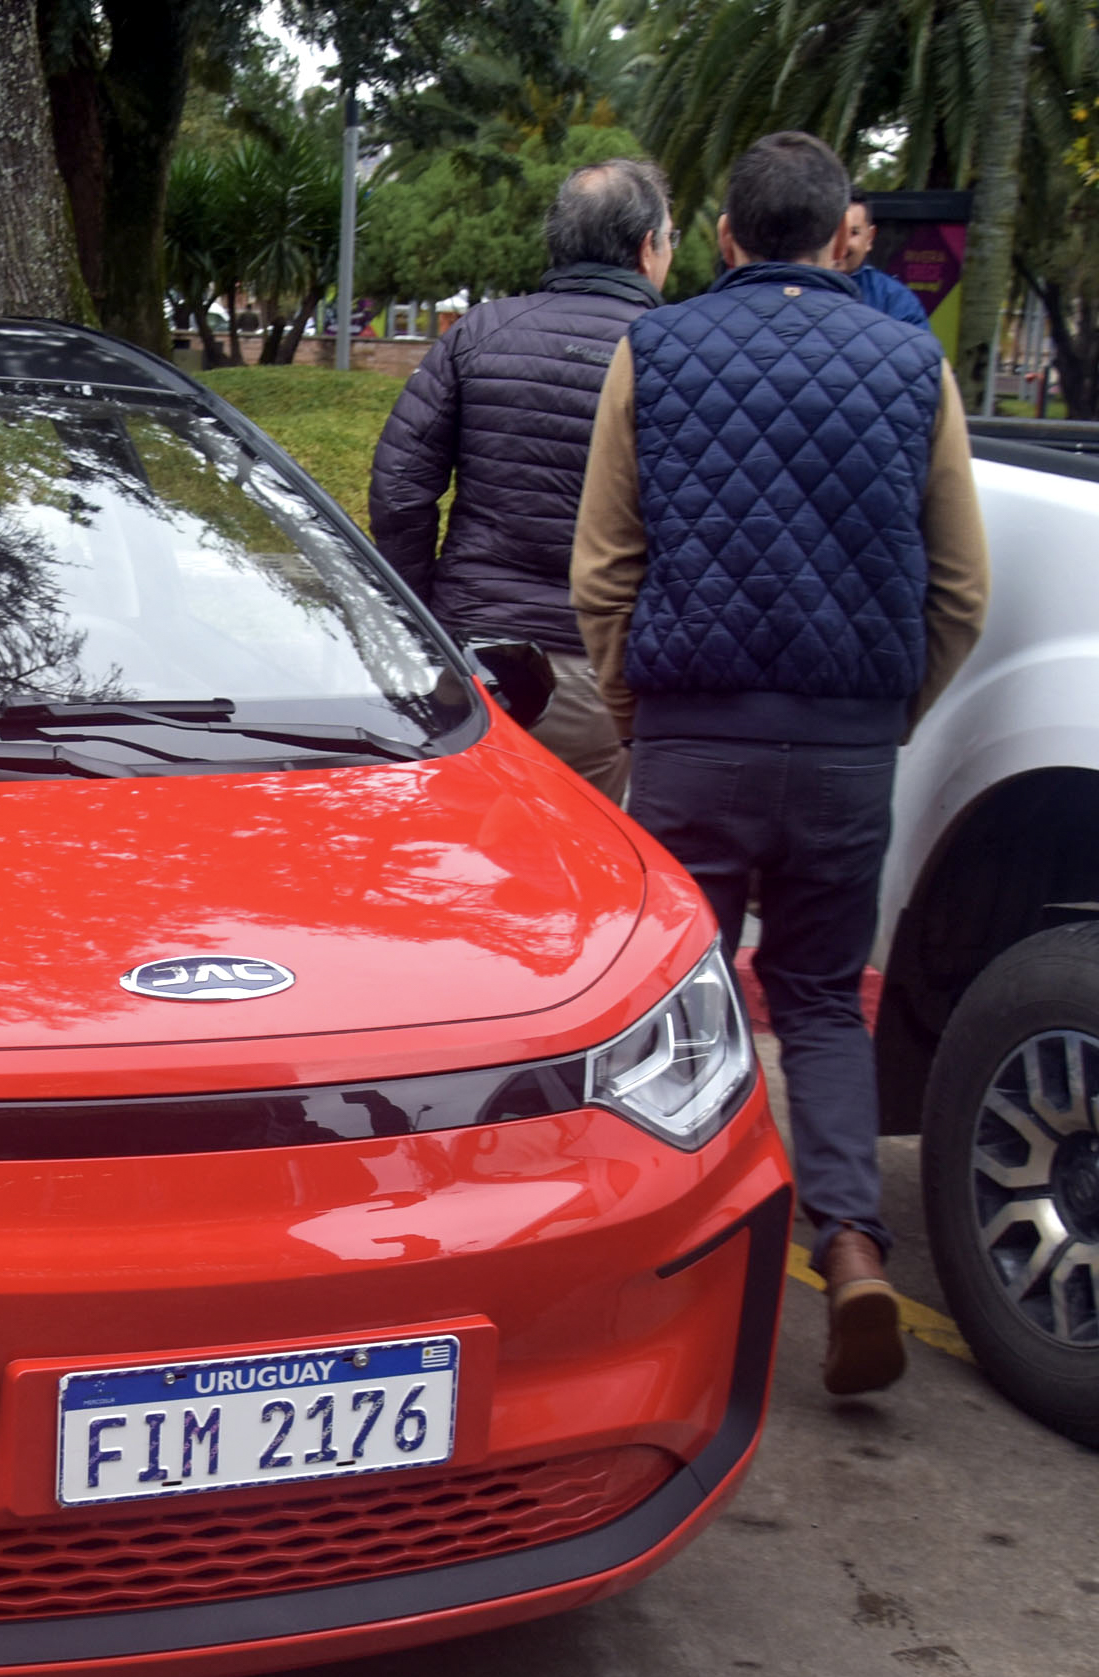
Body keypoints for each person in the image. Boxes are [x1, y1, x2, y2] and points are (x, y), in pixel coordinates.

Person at [571, 131, 989, 1395]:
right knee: (815, 998)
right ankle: (853, 1243)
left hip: (694, 739)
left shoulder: (656, 351)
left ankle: (678, 1276)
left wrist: (639, 712)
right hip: (848, 747)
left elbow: (605, 568)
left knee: (679, 1014)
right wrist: (886, 715)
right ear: (843, 232)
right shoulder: (914, 364)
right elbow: (960, 589)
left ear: (723, 234)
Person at [368, 160, 676, 802]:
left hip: (473, 659)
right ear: (647, 247)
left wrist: (424, 614)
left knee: (463, 839)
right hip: (602, 668)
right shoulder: (675, 356)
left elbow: (400, 487)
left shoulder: (481, 332)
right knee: (580, 850)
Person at [841, 190, 933, 328]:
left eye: (853, 233)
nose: (841, 243)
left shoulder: (896, 300)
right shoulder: (805, 288)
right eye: (835, 232)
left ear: (870, 237)